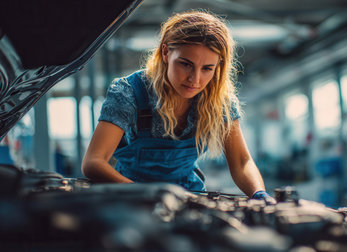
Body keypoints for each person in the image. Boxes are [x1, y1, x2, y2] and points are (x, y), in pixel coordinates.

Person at [81, 10, 274, 202]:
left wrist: (259, 194)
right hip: (132, 200)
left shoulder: (219, 99)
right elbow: (93, 162)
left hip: (188, 199)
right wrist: (142, 194)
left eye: (207, 69)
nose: (195, 80)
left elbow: (241, 162)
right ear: (165, 52)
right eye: (185, 64)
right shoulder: (128, 92)